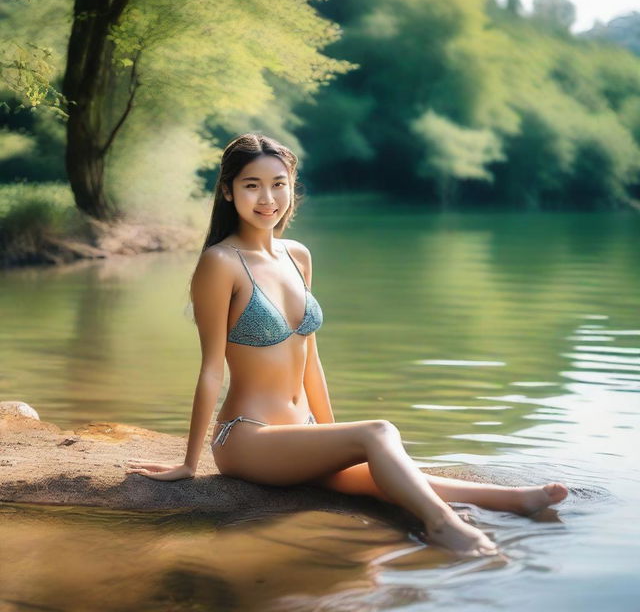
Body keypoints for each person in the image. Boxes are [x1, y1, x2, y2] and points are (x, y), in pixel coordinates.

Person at [125, 132, 569, 557]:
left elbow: (309, 357)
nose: (268, 199)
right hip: (247, 438)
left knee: (382, 472)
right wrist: (189, 461)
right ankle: (444, 525)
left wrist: (330, 436)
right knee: (379, 432)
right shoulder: (220, 263)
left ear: (292, 187)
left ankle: (510, 500)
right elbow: (210, 369)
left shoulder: (297, 255)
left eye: (279, 185)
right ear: (227, 191)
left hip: (300, 434)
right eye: (252, 186)